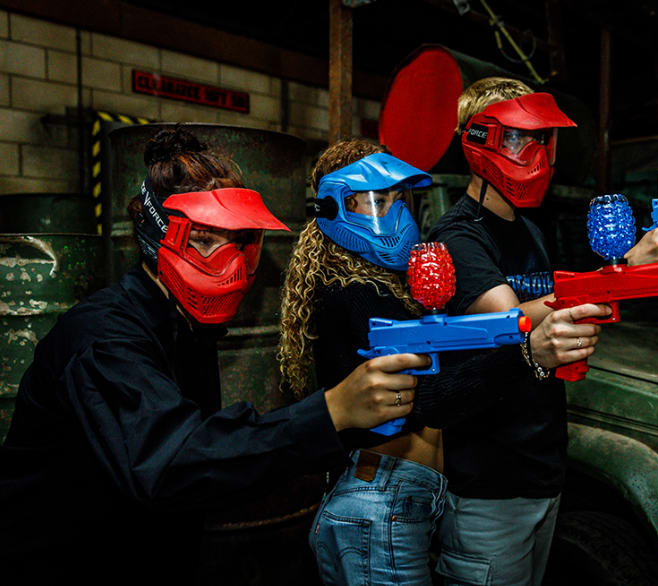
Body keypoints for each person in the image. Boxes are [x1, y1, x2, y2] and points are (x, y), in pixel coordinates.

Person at [0, 127, 424, 585]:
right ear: (158, 237)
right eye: (204, 241)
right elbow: (171, 462)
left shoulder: (184, 325)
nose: (231, 264)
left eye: (241, 242)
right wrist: (330, 411)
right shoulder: (105, 339)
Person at [278, 138, 607, 585]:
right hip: (379, 499)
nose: (395, 213)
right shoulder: (352, 293)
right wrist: (527, 355)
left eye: (399, 199)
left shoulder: (385, 286)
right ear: (337, 207)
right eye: (377, 201)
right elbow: (423, 400)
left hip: (399, 497)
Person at [427, 77, 658, 585]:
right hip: (490, 483)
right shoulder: (457, 236)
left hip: (543, 470)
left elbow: (564, 314)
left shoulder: (528, 229)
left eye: (543, 140)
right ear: (478, 141)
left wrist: (632, 277)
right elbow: (512, 322)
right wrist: (626, 268)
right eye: (518, 139)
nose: (535, 154)